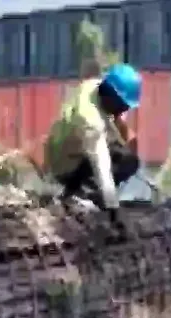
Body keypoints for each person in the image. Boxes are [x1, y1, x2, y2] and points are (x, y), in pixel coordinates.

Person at [44, 63, 143, 211]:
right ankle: (80, 194)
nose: (125, 109)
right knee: (127, 161)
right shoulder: (90, 121)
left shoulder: (93, 86)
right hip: (65, 166)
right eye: (123, 106)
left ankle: (85, 191)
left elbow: (115, 123)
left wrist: (124, 134)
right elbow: (102, 165)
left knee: (123, 154)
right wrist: (112, 207)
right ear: (112, 97)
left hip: (65, 149)